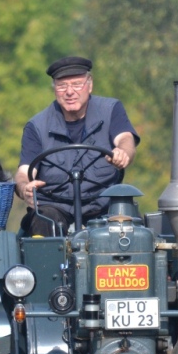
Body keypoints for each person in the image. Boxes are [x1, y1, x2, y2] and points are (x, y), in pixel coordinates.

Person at [14, 56, 140, 236]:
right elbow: (23, 172)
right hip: (55, 207)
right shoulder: (36, 126)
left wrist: (122, 152)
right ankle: (47, 255)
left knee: (130, 227)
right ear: (54, 89)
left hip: (103, 206)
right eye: (62, 86)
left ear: (90, 85)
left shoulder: (111, 109)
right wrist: (24, 187)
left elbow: (125, 138)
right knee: (42, 219)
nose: (69, 92)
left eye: (77, 84)